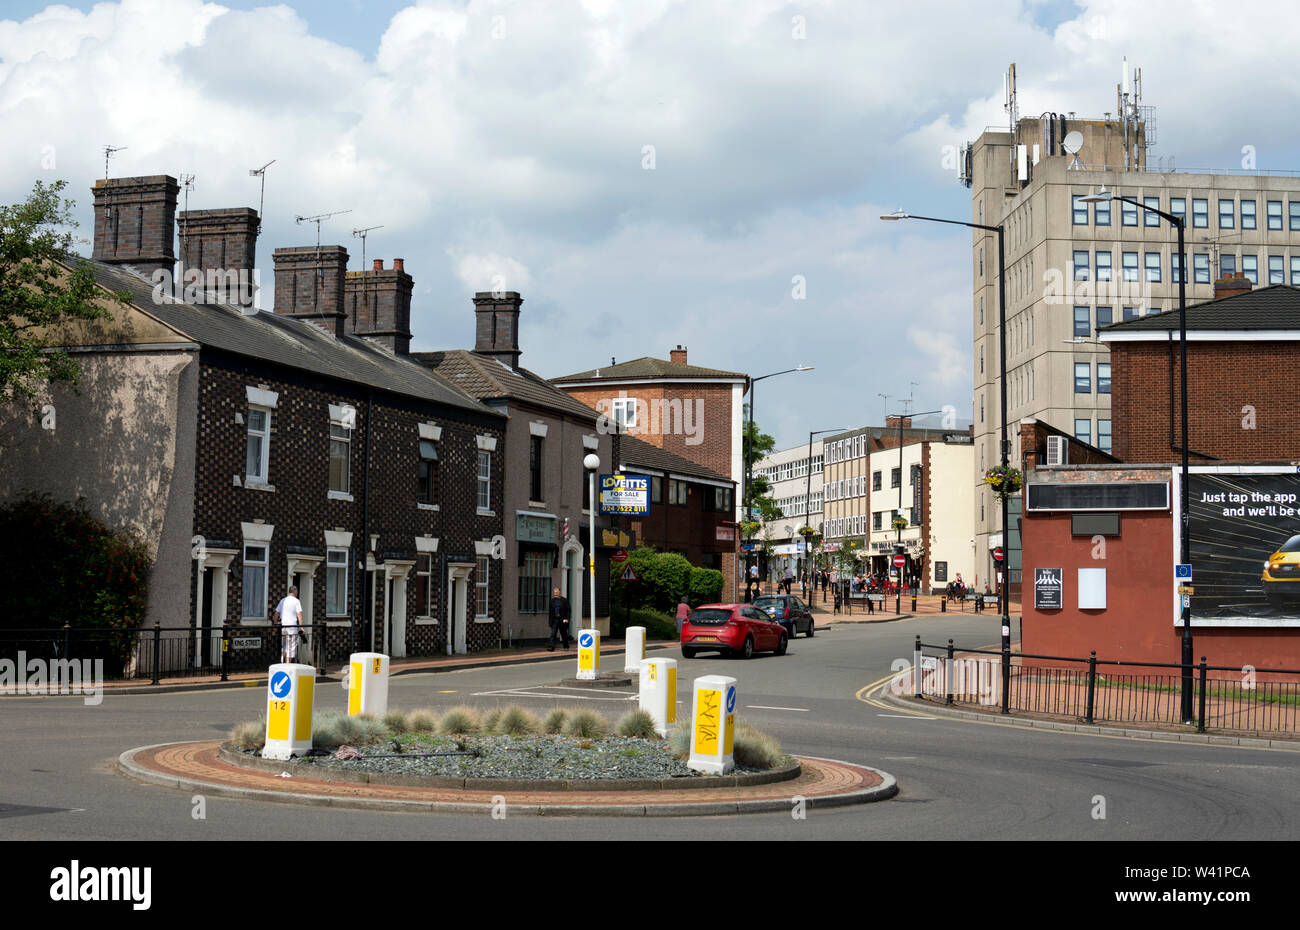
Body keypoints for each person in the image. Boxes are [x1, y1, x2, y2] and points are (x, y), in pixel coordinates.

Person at [274, 585, 304, 663]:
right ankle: (288, 664)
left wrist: (275, 624)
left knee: (284, 645)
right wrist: (301, 627)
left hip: (283, 627)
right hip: (292, 627)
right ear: (295, 592)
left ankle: (281, 661)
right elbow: (299, 614)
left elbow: (276, 613)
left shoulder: (283, 600)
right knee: (291, 647)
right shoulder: (296, 601)